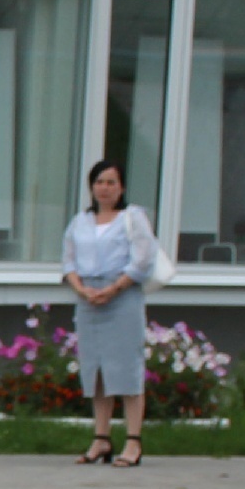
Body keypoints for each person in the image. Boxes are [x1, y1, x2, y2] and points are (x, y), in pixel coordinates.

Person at [60, 161, 159, 468]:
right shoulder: (80, 221)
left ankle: (133, 441)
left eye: (111, 182)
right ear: (92, 187)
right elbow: (68, 263)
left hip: (122, 296)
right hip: (88, 299)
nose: (105, 188)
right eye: (100, 182)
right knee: (96, 369)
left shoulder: (132, 218)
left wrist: (114, 289)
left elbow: (143, 260)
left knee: (126, 367)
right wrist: (82, 290)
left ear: (122, 187)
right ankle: (101, 438)